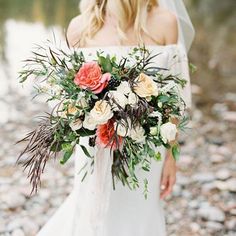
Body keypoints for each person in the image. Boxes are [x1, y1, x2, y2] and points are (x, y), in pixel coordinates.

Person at [37, 0, 194, 235]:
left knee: (139, 213)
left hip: (147, 150)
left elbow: (173, 99)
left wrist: (171, 154)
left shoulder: (164, 22)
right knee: (92, 211)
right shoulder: (80, 27)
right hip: (94, 147)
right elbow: (67, 100)